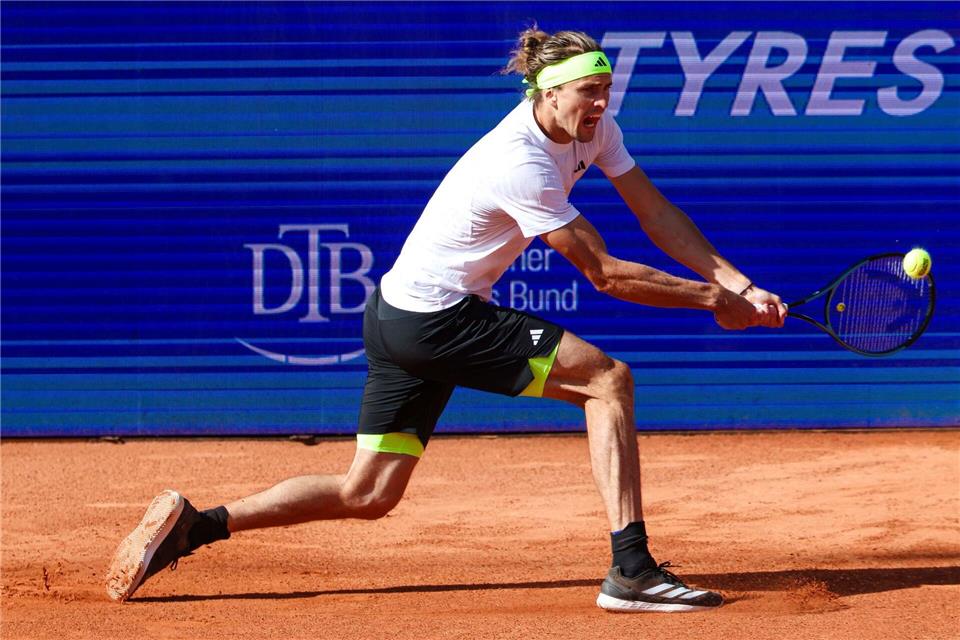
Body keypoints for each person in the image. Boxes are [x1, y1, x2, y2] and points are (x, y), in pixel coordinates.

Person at [106, 27, 786, 612]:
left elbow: (654, 212)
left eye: (607, 90)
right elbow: (603, 273)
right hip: (437, 319)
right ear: (549, 92)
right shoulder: (519, 160)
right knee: (607, 381)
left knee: (367, 492)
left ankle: (197, 526)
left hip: (399, 313)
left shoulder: (596, 130)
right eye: (588, 91)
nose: (602, 103)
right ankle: (631, 570)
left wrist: (738, 283)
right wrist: (712, 301)